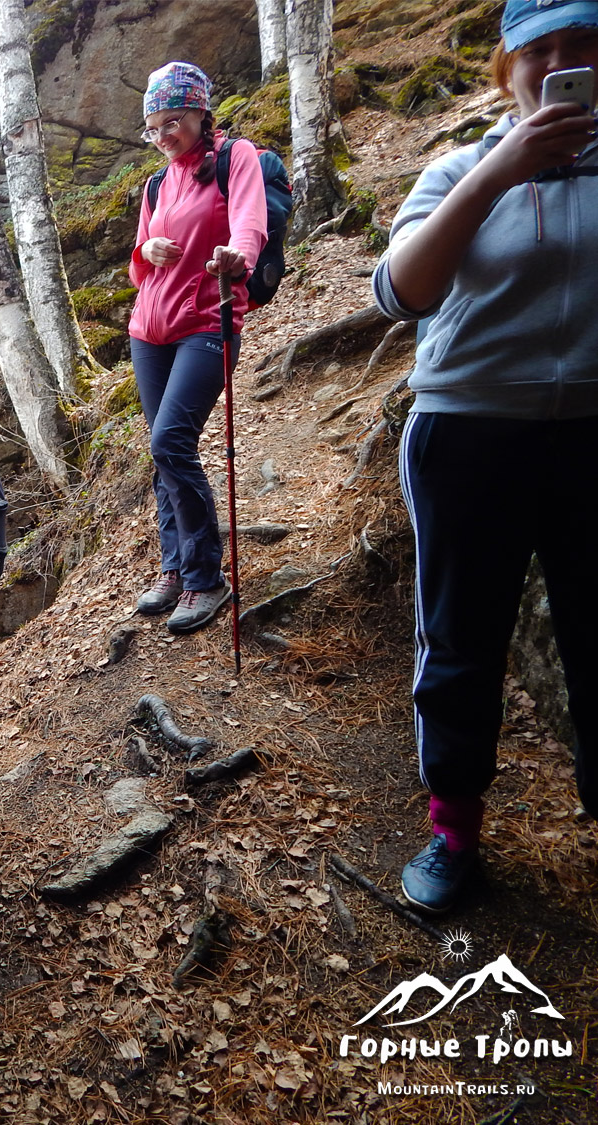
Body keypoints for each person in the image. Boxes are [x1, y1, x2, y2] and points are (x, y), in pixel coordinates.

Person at [372, 0, 597, 914]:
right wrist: (501, 171)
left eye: (581, 45)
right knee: (461, 638)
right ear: (506, 68)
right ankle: (454, 830)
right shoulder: (461, 167)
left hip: (592, 432)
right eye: (537, 49)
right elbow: (400, 290)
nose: (559, 64)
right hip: (467, 431)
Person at [127, 61, 268, 633]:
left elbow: (249, 225)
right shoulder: (156, 185)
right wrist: (149, 251)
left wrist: (239, 258)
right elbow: (137, 266)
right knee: (163, 451)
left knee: (171, 440)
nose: (163, 136)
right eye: (153, 126)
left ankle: (206, 577)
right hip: (148, 331)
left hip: (208, 321)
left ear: (200, 112)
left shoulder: (236, 158)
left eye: (173, 121)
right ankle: (174, 567)